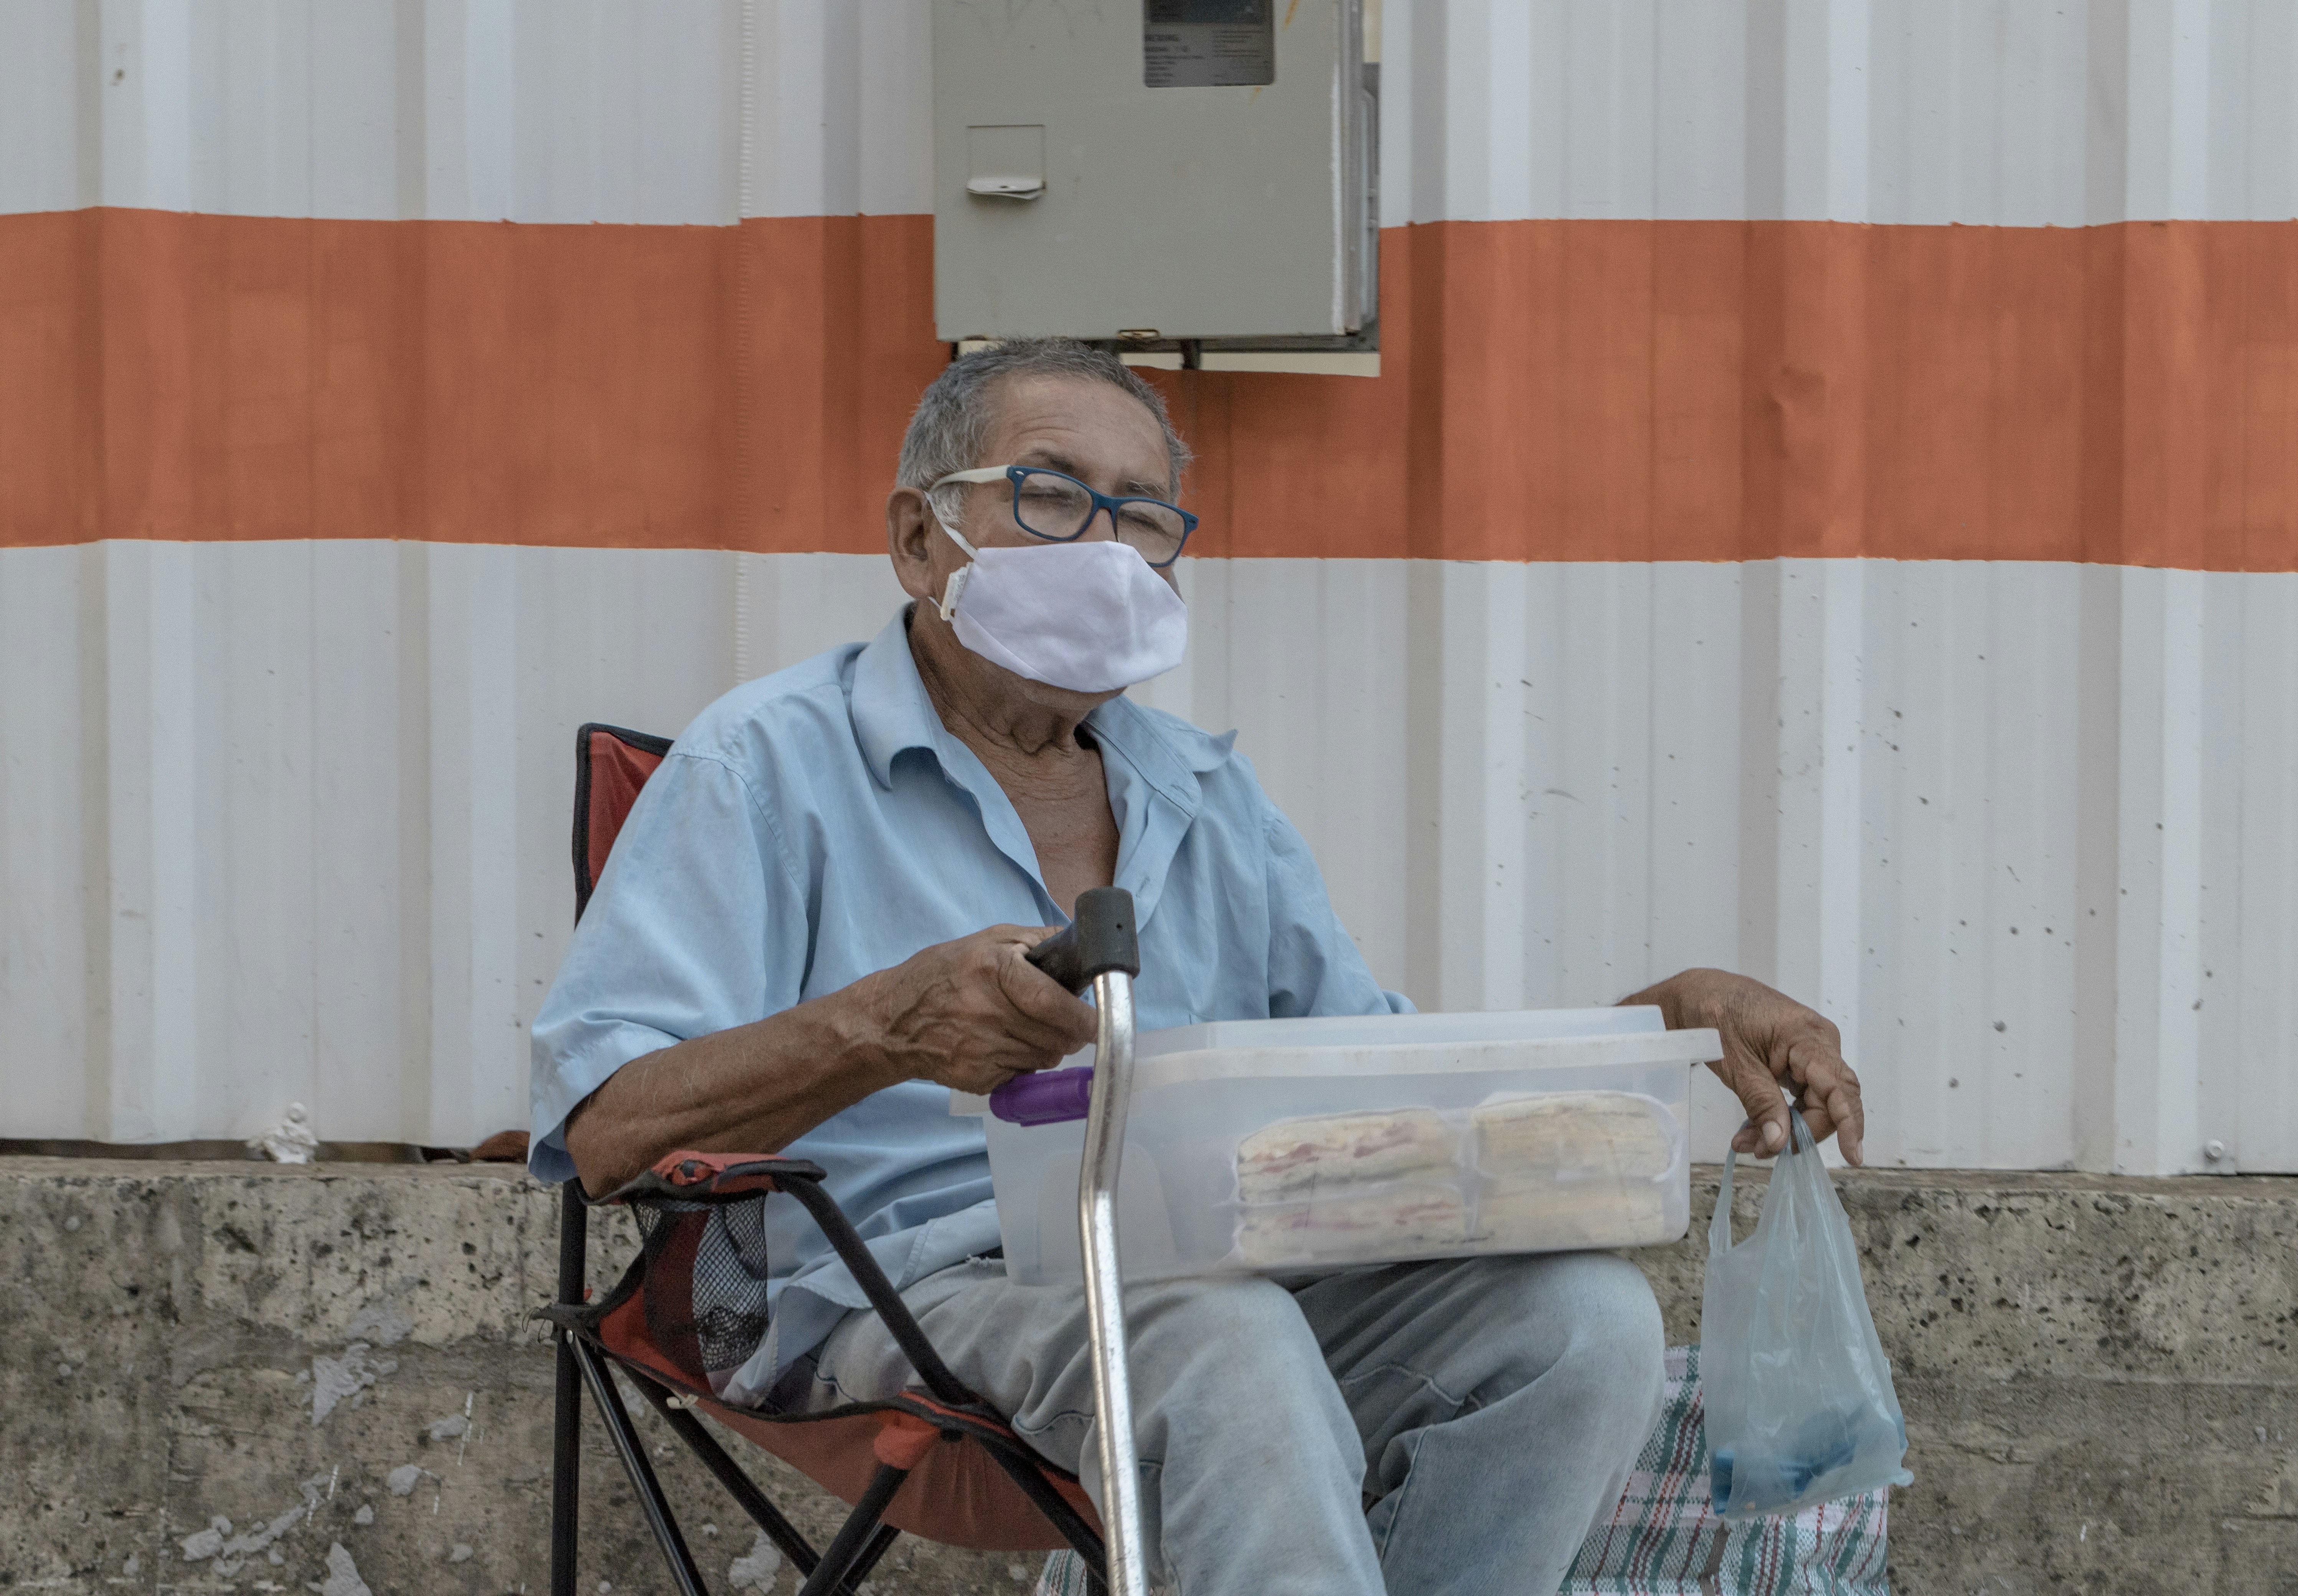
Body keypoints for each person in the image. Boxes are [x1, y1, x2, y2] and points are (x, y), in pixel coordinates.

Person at [529, 338, 1867, 1595]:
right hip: (885, 1289)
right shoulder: (761, 765)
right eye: (1049, 496)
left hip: (1219, 1268)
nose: (1106, 548)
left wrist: (1668, 1024)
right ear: (914, 536)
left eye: (1143, 517)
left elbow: (1393, 1094)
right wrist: (884, 1027)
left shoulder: (1208, 799)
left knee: (1582, 1323)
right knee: (1217, 1345)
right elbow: (605, 1131)